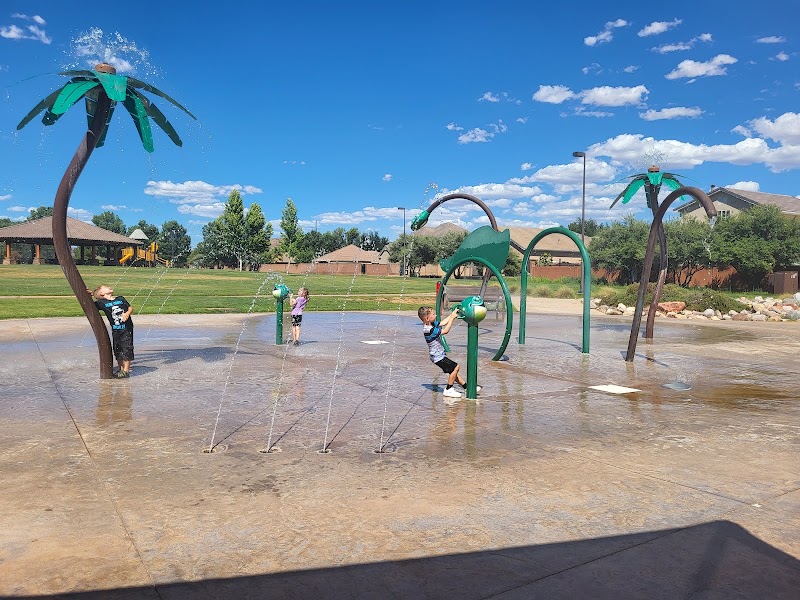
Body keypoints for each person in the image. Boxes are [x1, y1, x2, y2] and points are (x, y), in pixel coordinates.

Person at [418, 306, 480, 399]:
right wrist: (451, 318)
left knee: (453, 372)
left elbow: (443, 322)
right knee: (456, 367)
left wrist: (453, 314)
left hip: (438, 355)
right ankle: (448, 389)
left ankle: (467, 388)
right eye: (434, 314)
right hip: (438, 357)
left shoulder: (431, 324)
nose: (436, 315)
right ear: (427, 318)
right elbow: (445, 331)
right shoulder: (429, 329)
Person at [88, 285, 134, 378]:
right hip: (116, 330)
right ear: (102, 293)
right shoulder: (102, 303)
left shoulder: (120, 298)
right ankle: (121, 368)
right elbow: (90, 305)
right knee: (117, 349)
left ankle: (126, 370)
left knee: (126, 348)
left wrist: (127, 313)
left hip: (126, 328)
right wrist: (90, 295)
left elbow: (130, 307)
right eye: (106, 287)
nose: (109, 287)